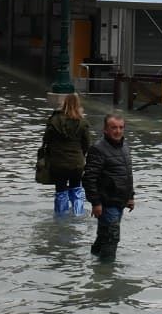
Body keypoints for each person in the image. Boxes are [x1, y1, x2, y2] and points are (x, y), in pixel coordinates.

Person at [83, 114, 135, 258]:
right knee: (112, 238)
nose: (118, 131)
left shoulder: (125, 146)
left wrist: (130, 197)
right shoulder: (98, 149)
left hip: (120, 200)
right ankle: (106, 272)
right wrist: (96, 203)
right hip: (106, 202)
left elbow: (127, 174)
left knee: (104, 235)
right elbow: (89, 178)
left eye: (120, 127)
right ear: (105, 129)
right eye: (114, 128)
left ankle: (95, 259)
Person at [41, 93, 93, 216]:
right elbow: (87, 144)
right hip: (77, 163)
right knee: (76, 189)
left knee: (60, 190)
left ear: (64, 103)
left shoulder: (54, 120)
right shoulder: (82, 122)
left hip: (58, 163)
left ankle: (60, 216)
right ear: (78, 104)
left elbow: (46, 140)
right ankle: (78, 214)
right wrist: (81, 155)